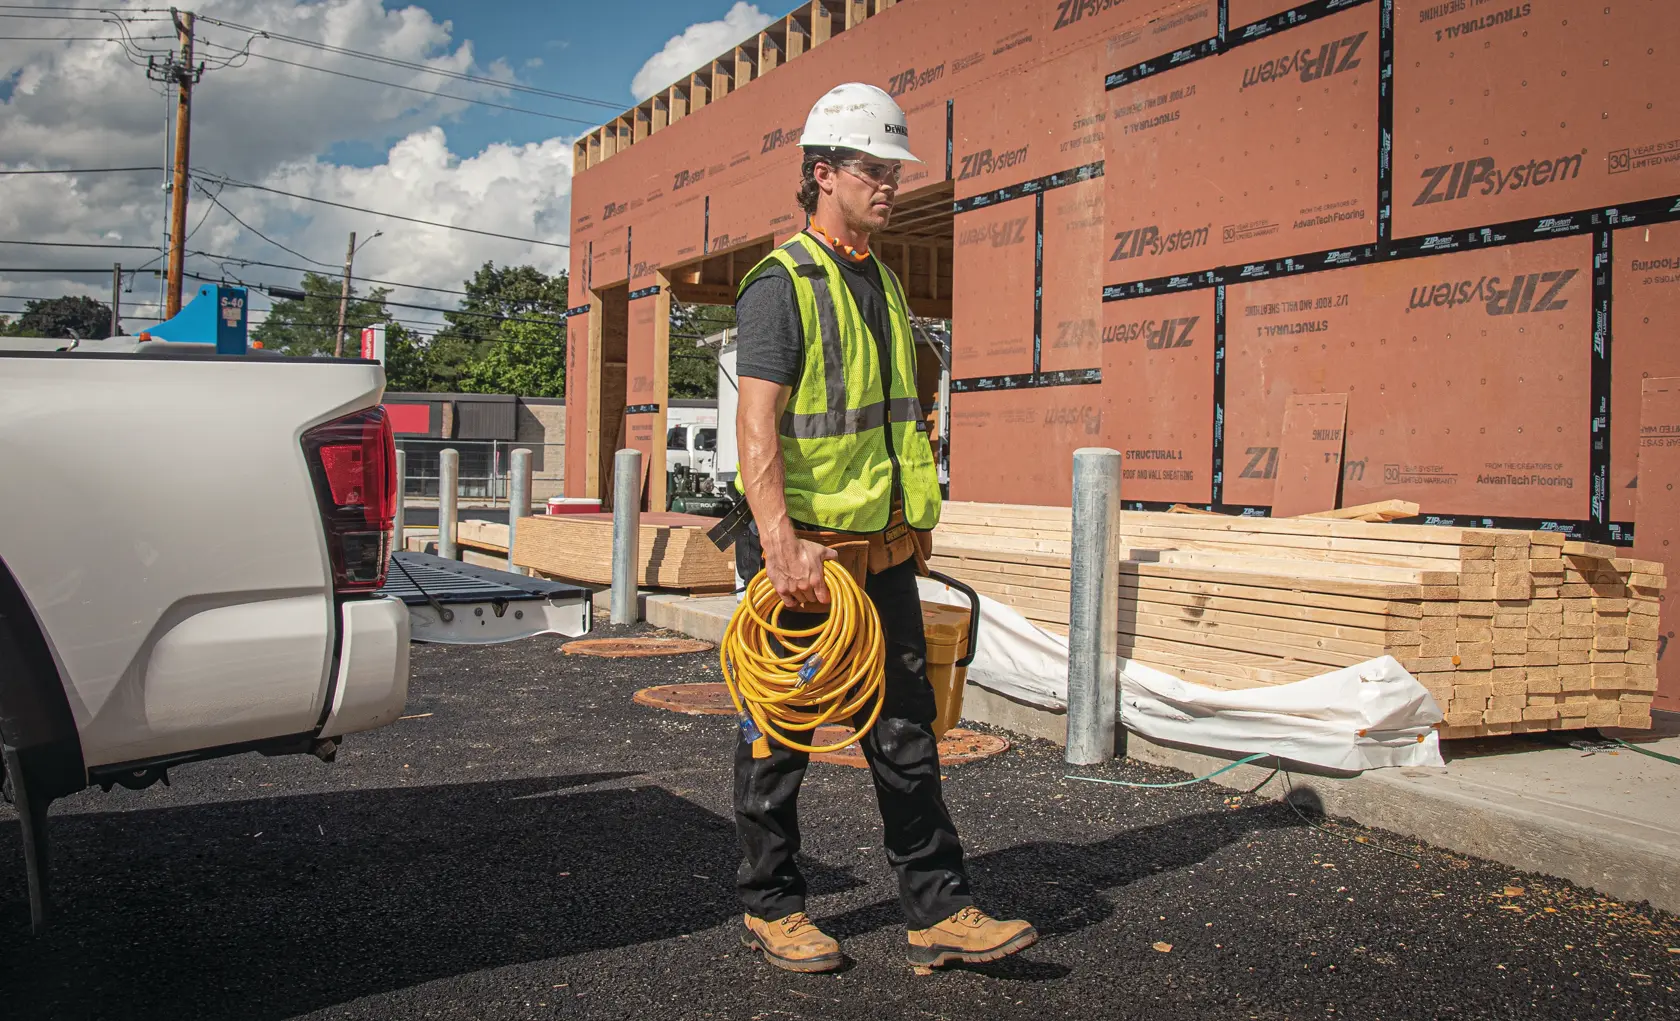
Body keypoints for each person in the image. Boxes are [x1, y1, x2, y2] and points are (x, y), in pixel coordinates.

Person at [729, 82, 1036, 974]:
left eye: (894, 169)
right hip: (806, 557)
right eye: (875, 167)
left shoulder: (884, 282)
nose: (892, 182)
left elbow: (892, 421)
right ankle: (773, 905)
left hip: (885, 552)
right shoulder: (780, 286)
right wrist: (781, 542)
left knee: (905, 732)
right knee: (779, 733)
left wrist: (912, 524)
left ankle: (938, 909)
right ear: (822, 173)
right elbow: (759, 425)